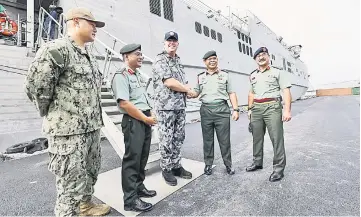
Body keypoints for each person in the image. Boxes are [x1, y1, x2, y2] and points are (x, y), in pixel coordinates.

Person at [24, 7, 111, 216]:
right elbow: (36, 87)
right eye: (92, 24)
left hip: (90, 129)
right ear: (76, 22)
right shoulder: (57, 50)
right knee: (69, 185)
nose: (95, 29)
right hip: (68, 133)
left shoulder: (87, 55)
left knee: (90, 173)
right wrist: (55, 115)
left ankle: (86, 206)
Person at [111, 43, 157, 212]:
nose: (141, 57)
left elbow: (141, 98)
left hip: (143, 119)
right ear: (126, 57)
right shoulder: (121, 75)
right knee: (132, 159)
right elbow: (124, 103)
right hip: (134, 121)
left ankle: (139, 187)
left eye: (141, 54)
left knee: (143, 156)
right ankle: (130, 200)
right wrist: (145, 118)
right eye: (137, 54)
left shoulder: (136, 74)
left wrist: (150, 114)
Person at [188, 50, 239, 175]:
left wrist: (236, 109)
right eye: (209, 59)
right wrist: (187, 92)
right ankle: (208, 165)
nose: (212, 60)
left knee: (224, 140)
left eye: (214, 58)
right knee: (207, 140)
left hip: (222, 110)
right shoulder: (200, 77)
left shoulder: (225, 75)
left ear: (217, 60)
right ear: (204, 62)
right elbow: (196, 92)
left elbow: (231, 93)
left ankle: (228, 164)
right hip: (206, 110)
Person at [152, 31, 193, 186]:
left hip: (180, 106)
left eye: (174, 41)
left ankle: (176, 165)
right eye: (169, 41)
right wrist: (187, 90)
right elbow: (169, 82)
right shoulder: (160, 59)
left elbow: (183, 83)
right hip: (166, 108)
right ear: (164, 43)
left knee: (178, 137)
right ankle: (166, 168)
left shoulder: (178, 61)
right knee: (166, 139)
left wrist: (189, 91)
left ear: (177, 43)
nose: (171, 43)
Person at [246, 46, 292, 182]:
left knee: (276, 138)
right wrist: (249, 109)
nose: (261, 57)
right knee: (257, 137)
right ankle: (257, 162)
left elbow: (286, 91)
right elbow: (251, 93)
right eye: (258, 56)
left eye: (264, 54)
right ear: (255, 59)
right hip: (256, 108)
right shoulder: (253, 75)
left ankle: (278, 169)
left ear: (268, 57)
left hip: (272, 107)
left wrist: (287, 110)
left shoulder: (278, 72)